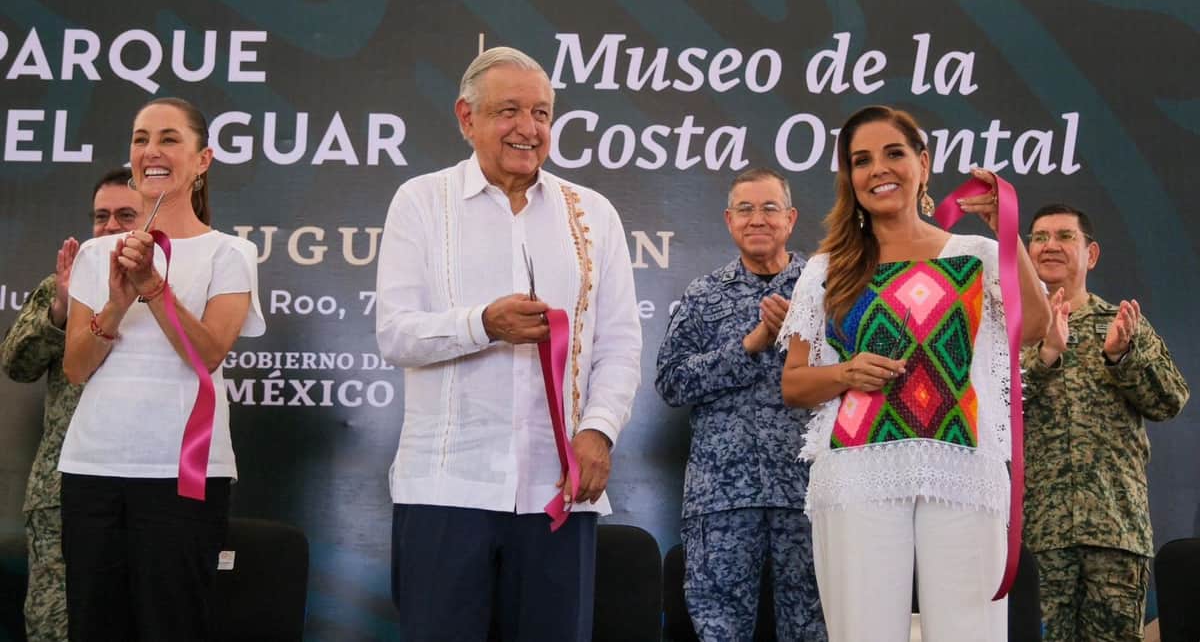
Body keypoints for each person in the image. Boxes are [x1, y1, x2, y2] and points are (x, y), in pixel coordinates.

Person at [375, 46, 641, 641]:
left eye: (542, 113)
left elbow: (620, 342)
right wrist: (482, 325)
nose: (528, 128)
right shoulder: (421, 202)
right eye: (509, 111)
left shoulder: (593, 213)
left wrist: (597, 432)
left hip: (559, 489)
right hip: (447, 487)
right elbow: (395, 333)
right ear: (466, 119)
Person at [778, 105, 1050, 642]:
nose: (878, 169)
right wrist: (847, 373)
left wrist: (1006, 229)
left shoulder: (975, 255)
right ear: (849, 179)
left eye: (894, 153)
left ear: (923, 165)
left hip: (962, 465)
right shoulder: (827, 269)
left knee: (970, 631)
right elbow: (794, 383)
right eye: (861, 160)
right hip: (858, 467)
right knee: (864, 631)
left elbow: (1036, 326)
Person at [59, 97, 265, 641]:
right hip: (92, 469)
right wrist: (118, 302)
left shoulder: (231, 254)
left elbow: (208, 354)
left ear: (203, 160)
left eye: (169, 139)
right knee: (93, 626)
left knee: (172, 625)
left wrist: (153, 287)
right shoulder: (96, 255)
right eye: (140, 138)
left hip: (183, 475)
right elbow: (76, 368)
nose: (151, 151)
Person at [655, 168, 826, 641]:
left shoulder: (824, 289)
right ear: (730, 221)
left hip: (808, 493)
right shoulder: (704, 295)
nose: (758, 219)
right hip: (722, 498)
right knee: (719, 630)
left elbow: (853, 373)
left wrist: (802, 335)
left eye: (770, 208)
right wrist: (748, 346)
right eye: (746, 209)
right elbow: (671, 383)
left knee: (813, 628)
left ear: (790, 219)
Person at [1021, 203, 1188, 642]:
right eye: (1039, 237)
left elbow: (1170, 400)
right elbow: (989, 413)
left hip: (1115, 530)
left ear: (1090, 254)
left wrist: (1122, 356)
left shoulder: (1123, 324)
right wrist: (1044, 357)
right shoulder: (1007, 331)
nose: (1049, 246)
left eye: (1064, 236)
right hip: (1038, 535)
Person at [1, 168, 142, 641]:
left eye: (126, 215)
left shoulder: (172, 291)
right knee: (56, 628)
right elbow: (16, 366)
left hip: (147, 490)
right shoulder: (63, 285)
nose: (109, 227)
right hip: (62, 493)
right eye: (101, 216)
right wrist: (60, 311)